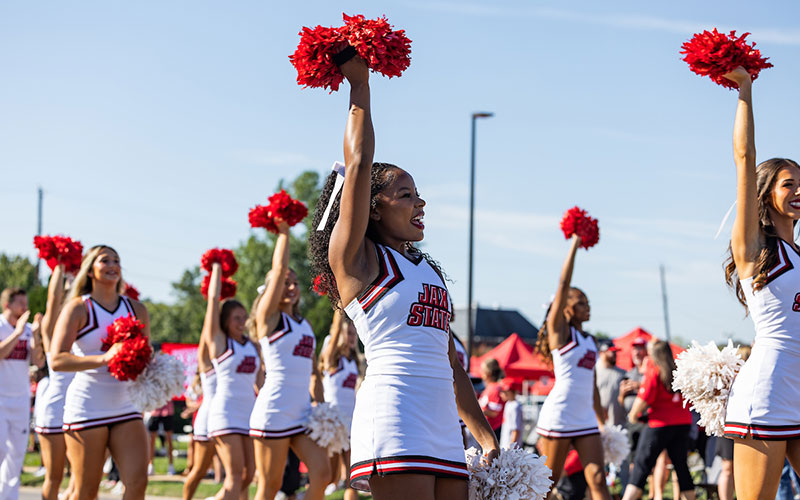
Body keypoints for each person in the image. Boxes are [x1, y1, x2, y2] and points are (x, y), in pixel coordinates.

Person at [308, 52, 499, 499]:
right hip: (394, 418)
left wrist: (485, 435)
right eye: (406, 194)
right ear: (372, 206)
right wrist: (360, 88)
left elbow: (451, 362)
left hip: (445, 429)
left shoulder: (428, 270)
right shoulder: (358, 261)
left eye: (419, 194)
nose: (420, 203)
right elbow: (357, 163)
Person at [719, 66, 800, 500]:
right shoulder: (755, 249)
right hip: (767, 393)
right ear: (768, 193)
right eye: (790, 184)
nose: (799, 190)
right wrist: (745, 90)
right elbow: (744, 159)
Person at [51, 245, 150, 500]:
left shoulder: (137, 309)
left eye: (116, 260)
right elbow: (57, 359)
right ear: (91, 270)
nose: (112, 265)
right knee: (85, 491)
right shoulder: (78, 308)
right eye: (104, 260)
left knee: (138, 482)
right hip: (87, 406)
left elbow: (145, 355)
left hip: (126, 405)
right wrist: (104, 358)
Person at [248, 218, 330, 500]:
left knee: (322, 474)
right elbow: (279, 268)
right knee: (270, 487)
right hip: (274, 410)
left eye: (295, 283)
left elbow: (313, 372)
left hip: (302, 411)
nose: (292, 287)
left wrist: (319, 404)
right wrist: (284, 232)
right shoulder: (270, 319)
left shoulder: (304, 324)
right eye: (285, 283)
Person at [533, 234, 610, 500]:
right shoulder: (560, 334)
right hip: (561, 415)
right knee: (548, 483)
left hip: (586, 416)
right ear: (564, 307)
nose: (587, 307)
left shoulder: (590, 340)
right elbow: (563, 283)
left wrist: (603, 421)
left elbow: (592, 385)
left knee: (599, 479)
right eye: (580, 303)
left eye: (588, 302)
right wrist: (575, 245)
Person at [203, 262, 262, 500]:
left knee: (249, 475)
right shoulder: (219, 342)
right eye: (237, 318)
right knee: (235, 476)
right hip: (225, 413)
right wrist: (217, 268)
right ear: (225, 320)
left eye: (245, 318)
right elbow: (212, 302)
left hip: (248, 413)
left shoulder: (253, 346)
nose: (243, 322)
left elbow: (261, 382)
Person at [621, 339, 693, 500]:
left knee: (640, 467)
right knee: (682, 468)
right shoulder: (679, 372)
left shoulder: (655, 372)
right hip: (682, 423)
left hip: (659, 424)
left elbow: (643, 399)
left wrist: (633, 416)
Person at [33, 264, 76, 500]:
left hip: (81, 408)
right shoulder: (52, 328)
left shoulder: (85, 322)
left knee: (81, 477)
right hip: (56, 408)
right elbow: (52, 299)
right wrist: (59, 264)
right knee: (55, 476)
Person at [0, 287, 44, 499]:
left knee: (17, 452)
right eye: (21, 303)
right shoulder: (2, 325)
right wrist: (17, 333)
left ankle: (9, 496)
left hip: (20, 399)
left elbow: (38, 361)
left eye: (26, 303)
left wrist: (35, 334)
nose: (25, 308)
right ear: (7, 304)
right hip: (0, 399)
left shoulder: (26, 329)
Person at [320, 310, 360, 500]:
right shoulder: (333, 359)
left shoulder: (354, 361)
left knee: (352, 473)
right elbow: (335, 330)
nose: (353, 337)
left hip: (351, 420)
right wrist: (338, 309)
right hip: (333, 421)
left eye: (355, 333)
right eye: (349, 333)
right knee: (329, 476)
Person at [183, 333, 220, 499]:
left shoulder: (234, 351)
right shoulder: (207, 363)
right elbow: (207, 335)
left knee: (242, 474)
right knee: (199, 469)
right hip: (207, 419)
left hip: (229, 418)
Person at [716, 344, 751, 500]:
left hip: (748, 426)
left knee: (743, 468)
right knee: (728, 467)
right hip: (730, 425)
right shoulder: (728, 378)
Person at [595, 339, 625, 427]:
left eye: (615, 352)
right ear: (601, 353)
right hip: (601, 425)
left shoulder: (623, 373)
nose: (615, 354)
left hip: (621, 425)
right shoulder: (594, 372)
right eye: (611, 352)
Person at [478, 358, 505, 440]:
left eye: (482, 370)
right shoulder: (490, 387)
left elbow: (494, 413)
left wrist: (478, 410)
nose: (481, 372)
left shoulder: (495, 388)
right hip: (486, 430)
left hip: (493, 430)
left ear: (488, 373)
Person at [147, 401, 176, 475]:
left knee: (169, 440)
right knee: (151, 441)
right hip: (155, 412)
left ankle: (171, 466)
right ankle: (150, 465)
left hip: (167, 411)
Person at [498, 378, 522, 450]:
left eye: (504, 392)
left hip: (510, 446)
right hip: (505, 443)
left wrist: (511, 446)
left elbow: (516, 429)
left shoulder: (515, 406)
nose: (501, 394)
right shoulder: (508, 404)